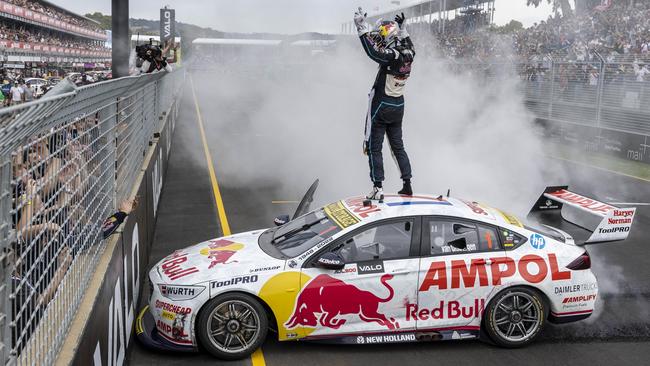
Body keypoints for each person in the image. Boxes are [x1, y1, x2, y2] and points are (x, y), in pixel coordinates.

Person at [354, 8, 415, 200]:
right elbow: (407, 44)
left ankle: (377, 187)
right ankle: (407, 184)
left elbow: (374, 52)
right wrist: (403, 30)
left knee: (374, 147)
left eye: (381, 36)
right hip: (399, 106)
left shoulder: (393, 55)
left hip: (382, 105)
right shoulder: (410, 53)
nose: (378, 38)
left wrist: (361, 29)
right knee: (398, 147)